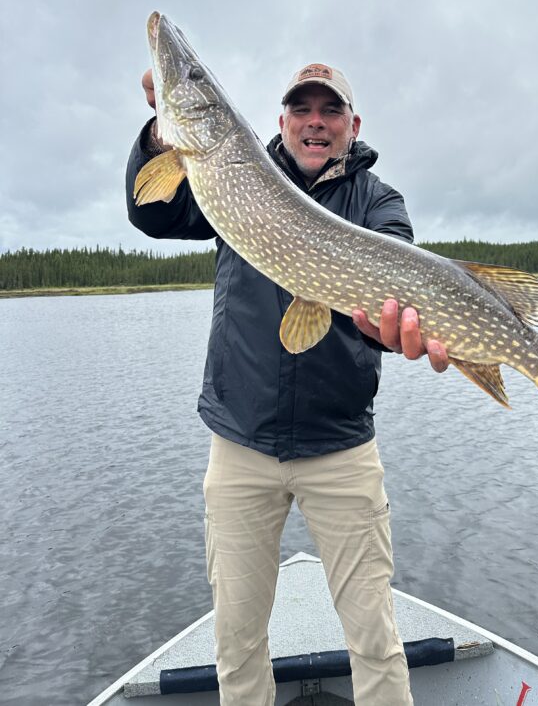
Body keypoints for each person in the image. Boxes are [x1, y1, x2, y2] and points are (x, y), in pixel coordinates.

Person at [126, 61, 450, 706]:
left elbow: (381, 315)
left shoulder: (378, 202)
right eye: (301, 110)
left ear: (352, 127)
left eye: (330, 111)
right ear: (279, 122)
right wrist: (159, 137)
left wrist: (386, 328)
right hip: (240, 445)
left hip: (341, 449)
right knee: (237, 636)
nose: (315, 122)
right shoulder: (231, 173)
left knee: (374, 634)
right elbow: (151, 215)